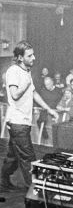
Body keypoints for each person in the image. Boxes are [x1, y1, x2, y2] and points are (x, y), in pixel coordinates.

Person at [1, 42, 58, 192]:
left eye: (33, 54)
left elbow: (33, 93)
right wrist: (26, 84)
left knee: (13, 156)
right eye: (30, 55)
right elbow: (14, 95)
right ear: (20, 57)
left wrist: (49, 109)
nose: (34, 57)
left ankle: (2, 180)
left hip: (22, 122)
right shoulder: (13, 71)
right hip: (17, 122)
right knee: (28, 157)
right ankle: (35, 190)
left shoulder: (26, 71)